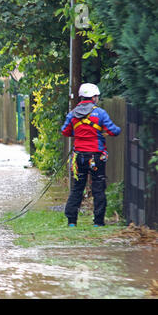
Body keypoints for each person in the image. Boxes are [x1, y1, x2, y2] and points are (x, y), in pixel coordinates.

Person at [61, 83, 121, 227]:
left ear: (82, 97)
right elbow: (114, 131)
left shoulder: (72, 114)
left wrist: (79, 134)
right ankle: (98, 222)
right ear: (93, 97)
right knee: (98, 188)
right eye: (97, 97)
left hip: (79, 157)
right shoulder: (100, 113)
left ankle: (71, 222)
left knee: (77, 188)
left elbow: (65, 131)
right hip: (96, 157)